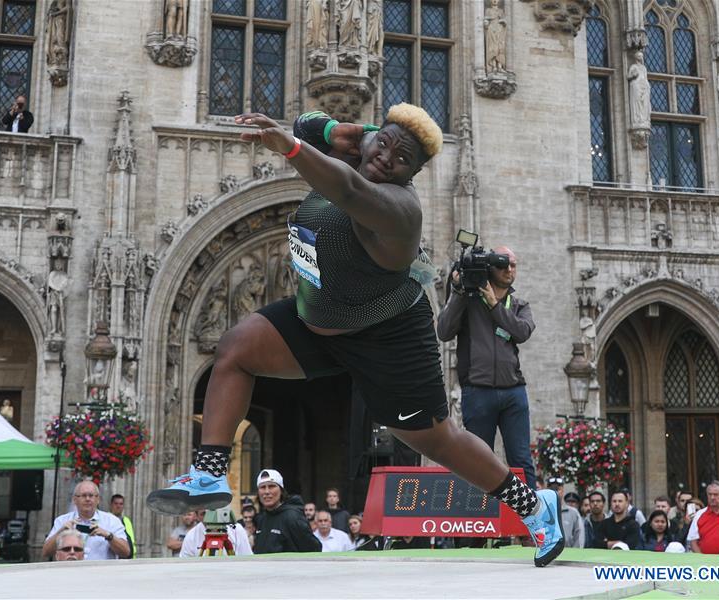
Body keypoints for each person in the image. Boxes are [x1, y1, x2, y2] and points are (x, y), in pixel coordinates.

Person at [146, 104, 565, 568]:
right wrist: (337, 131)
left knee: (438, 441)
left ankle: (533, 506)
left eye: (401, 159)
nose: (387, 159)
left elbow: (345, 188)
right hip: (320, 321)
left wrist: (290, 145)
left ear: (413, 173)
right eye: (382, 143)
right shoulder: (355, 152)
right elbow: (309, 122)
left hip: (388, 335)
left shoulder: (399, 210)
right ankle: (208, 474)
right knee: (236, 349)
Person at [436, 243, 538, 491]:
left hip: (514, 391)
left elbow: (522, 331)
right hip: (478, 391)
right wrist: (458, 292)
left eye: (513, 265)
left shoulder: (519, 305)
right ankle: (480, 525)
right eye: (503, 264)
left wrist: (494, 305)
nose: (509, 269)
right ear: (490, 267)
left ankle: (531, 521)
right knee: (480, 461)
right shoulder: (469, 303)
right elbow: (444, 331)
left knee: (522, 460)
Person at [42, 480, 130, 560]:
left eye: (91, 496)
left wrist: (108, 536)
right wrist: (60, 532)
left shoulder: (112, 521)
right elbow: (46, 552)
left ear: (98, 499)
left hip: (102, 574)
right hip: (71, 574)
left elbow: (126, 552)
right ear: (75, 500)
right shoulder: (62, 521)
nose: (87, 499)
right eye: (83, 496)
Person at [251, 469, 321, 554]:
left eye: (271, 486)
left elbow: (313, 549)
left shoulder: (292, 517)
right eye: (262, 487)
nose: (267, 492)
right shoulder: (261, 518)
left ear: (281, 490)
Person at [179, 509, 253, 557]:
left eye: (212, 511)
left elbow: (247, 559)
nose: (211, 518)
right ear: (197, 516)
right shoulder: (191, 536)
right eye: (204, 514)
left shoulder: (236, 529)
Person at [547, 477, 583, 548]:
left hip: (569, 555)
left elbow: (579, 537)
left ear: (563, 491)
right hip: (545, 555)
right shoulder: (541, 511)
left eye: (557, 489)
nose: (554, 492)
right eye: (552, 489)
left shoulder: (573, 512)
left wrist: (574, 555)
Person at [109, 494, 135, 558]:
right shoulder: (107, 520)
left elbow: (131, 541)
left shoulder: (127, 520)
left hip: (129, 559)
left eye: (121, 504)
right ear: (111, 505)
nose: (118, 506)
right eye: (116, 503)